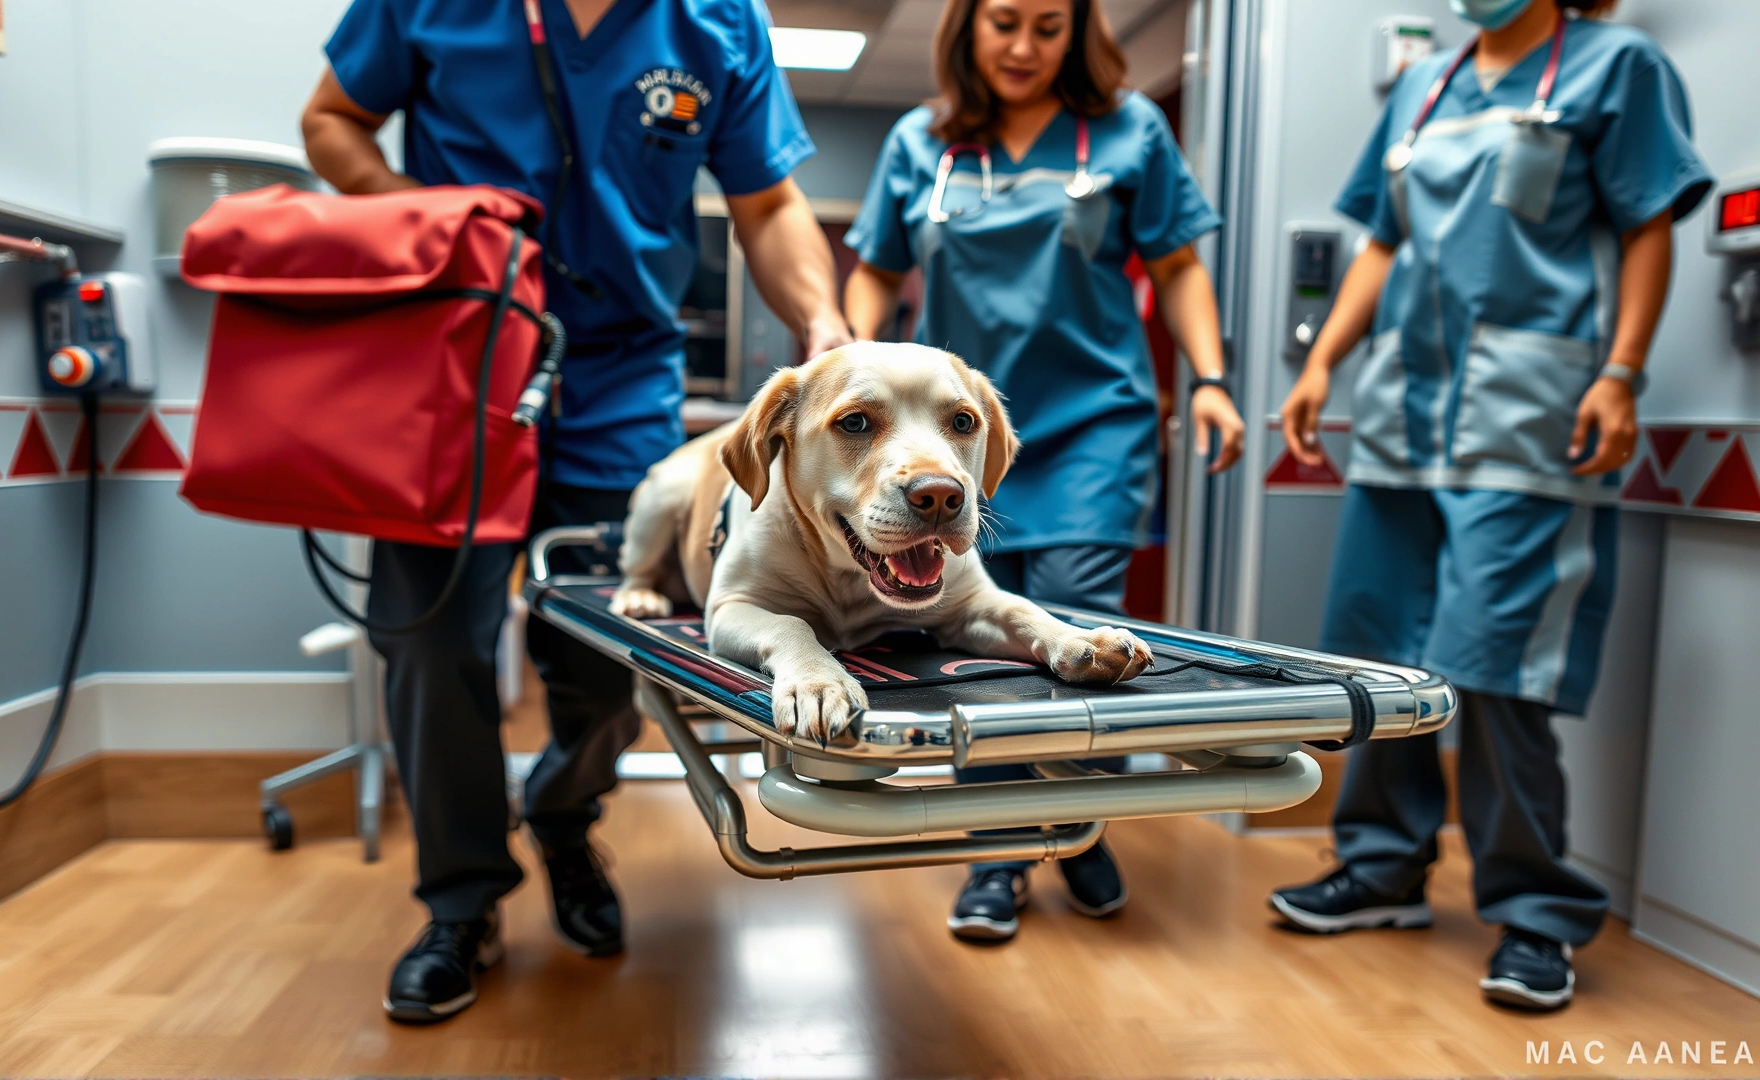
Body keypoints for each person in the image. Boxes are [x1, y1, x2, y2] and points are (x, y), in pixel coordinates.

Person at [302, 0, 852, 1023]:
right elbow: (331, 119)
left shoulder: (716, 21)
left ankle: (561, 812)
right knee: (428, 642)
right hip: (460, 360)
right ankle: (460, 901)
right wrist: (428, 222)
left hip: (621, 381)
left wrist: (821, 320)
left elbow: (767, 203)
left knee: (616, 654)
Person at [1265, 0, 1711, 1011]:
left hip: (1530, 422)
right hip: (1401, 420)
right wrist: (1322, 362)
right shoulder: (1425, 84)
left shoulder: (1616, 67)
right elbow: (1381, 242)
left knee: (1498, 672)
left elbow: (1646, 227)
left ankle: (1535, 917)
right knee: (1375, 658)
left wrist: (1624, 373)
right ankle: (1380, 868)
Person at [843, 0, 1245, 943]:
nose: (1024, 46)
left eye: (1048, 27)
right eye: (1005, 22)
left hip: (1090, 427)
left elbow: (1180, 267)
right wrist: (846, 350)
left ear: (1078, 36)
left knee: (1078, 629)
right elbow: (875, 269)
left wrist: (1213, 379)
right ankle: (1015, 843)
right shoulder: (921, 142)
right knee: (980, 644)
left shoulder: (1127, 131)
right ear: (967, 30)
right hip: (949, 447)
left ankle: (1062, 824)